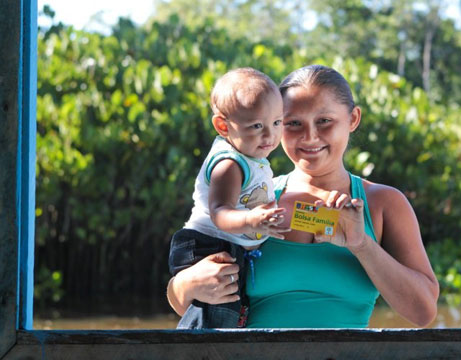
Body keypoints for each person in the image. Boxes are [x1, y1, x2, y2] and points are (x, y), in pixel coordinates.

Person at [167, 64, 439, 328]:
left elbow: (423, 312)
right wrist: (188, 283)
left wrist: (362, 245)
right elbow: (188, 306)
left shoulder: (383, 203)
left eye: (324, 121)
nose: (310, 137)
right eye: (293, 123)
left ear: (353, 119)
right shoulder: (253, 202)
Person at [168, 67, 290, 328]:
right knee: (215, 319)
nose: (270, 135)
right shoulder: (229, 164)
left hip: (228, 247)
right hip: (209, 246)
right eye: (257, 126)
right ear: (223, 126)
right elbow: (220, 212)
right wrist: (253, 220)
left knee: (231, 316)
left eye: (277, 123)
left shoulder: (250, 156)